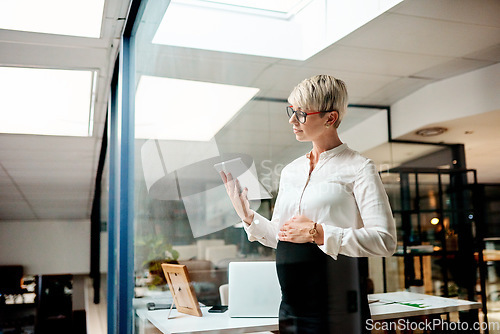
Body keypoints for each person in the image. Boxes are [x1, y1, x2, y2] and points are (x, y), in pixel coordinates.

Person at [220, 74, 396, 333]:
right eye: (291, 111)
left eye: (301, 114)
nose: (292, 120)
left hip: (337, 307)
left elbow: (385, 241)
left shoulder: (359, 168)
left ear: (330, 118)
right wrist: (247, 216)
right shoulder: (291, 171)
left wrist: (319, 232)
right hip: (291, 308)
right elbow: (281, 236)